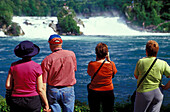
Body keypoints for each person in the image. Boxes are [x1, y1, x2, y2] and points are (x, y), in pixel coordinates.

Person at [5, 41, 50, 112]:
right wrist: (46, 104)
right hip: (33, 100)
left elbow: (8, 85)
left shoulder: (13, 66)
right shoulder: (37, 67)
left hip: (16, 100)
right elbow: (40, 89)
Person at [41, 34, 77, 112]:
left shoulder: (47, 60)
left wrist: (45, 104)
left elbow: (43, 83)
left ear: (50, 44)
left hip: (53, 90)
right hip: (68, 89)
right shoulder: (71, 54)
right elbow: (74, 69)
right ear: (61, 43)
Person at [134, 40, 170, 112]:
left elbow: (136, 76)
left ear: (146, 51)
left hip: (144, 93)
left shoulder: (141, 61)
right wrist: (166, 87)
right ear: (157, 51)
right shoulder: (163, 63)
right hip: (158, 92)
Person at [87, 42, 117, 112]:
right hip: (108, 91)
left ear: (96, 53)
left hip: (94, 91)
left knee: (94, 110)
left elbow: (89, 73)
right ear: (106, 54)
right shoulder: (111, 64)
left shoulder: (91, 64)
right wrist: (109, 59)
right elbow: (114, 73)